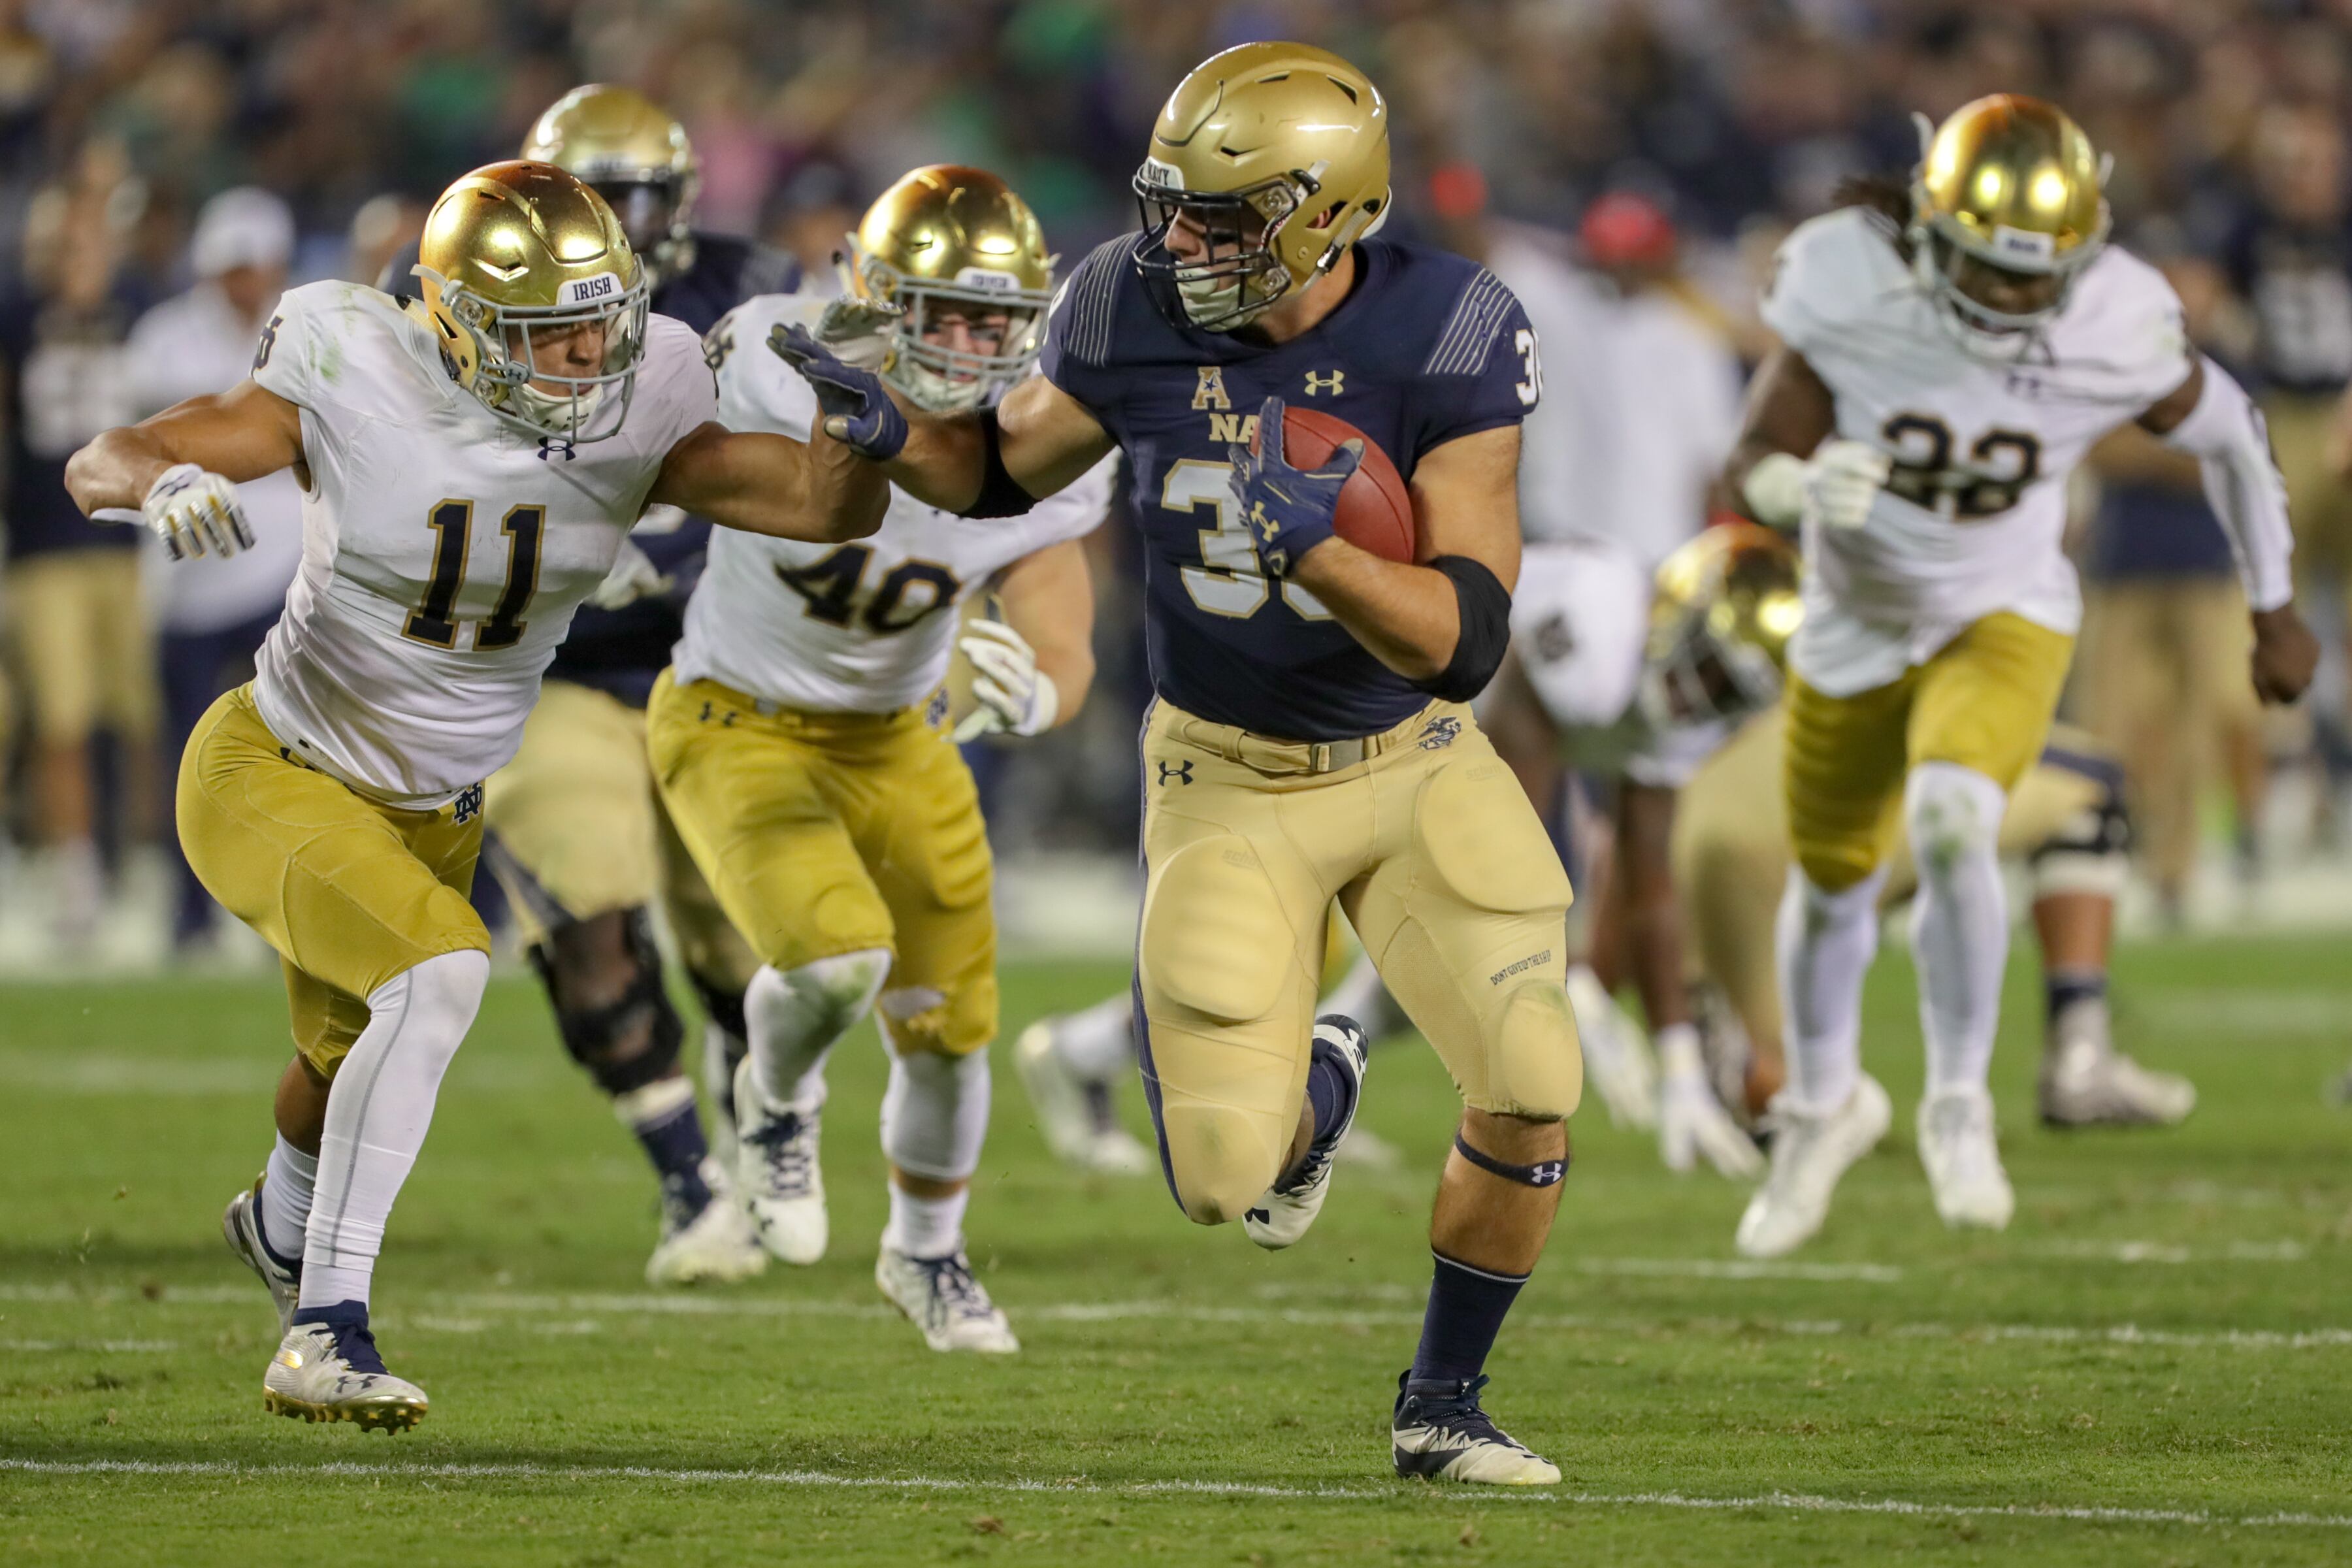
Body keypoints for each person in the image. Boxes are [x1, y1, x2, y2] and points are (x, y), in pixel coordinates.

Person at [777, 42, 1578, 1484]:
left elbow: (1465, 641)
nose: (1183, 247)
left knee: (1530, 1076)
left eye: (1223, 220)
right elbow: (1001, 470)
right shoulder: (1124, 300)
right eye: (1176, 211)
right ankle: (1327, 1078)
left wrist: (1323, 555)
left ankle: (1442, 1404)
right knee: (1221, 1182)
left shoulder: (1452, 326)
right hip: (1226, 770)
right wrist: (893, 431)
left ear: (1330, 210)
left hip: (1413, 753)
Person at [65, 159, 885, 1431]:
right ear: (455, 322)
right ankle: (325, 1330)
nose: (588, 358)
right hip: (276, 767)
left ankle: (280, 1225)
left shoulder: (642, 395)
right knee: (442, 971)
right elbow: (116, 454)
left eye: (599, 323)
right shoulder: (357, 364)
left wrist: (860, 420)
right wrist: (161, 484)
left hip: (436, 808)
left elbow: (822, 506)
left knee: (336, 1064)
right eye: (550, 332)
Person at [1721, 95, 2314, 1259]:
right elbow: (1751, 456)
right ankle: (1821, 1111)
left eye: (2032, 274)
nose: (2007, 295)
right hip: (1855, 618)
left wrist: (2274, 603)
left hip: (2005, 609)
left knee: (1955, 821)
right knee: (1834, 882)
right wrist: (1794, 489)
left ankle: (1958, 1105)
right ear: (1929, 229)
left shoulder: (2114, 319)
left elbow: (2235, 436)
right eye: (1985, 265)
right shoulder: (1854, 284)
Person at [653, 164, 1108, 1352]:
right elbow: (647, 453)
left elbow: (1057, 600)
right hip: (738, 716)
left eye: (992, 322)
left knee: (951, 1031)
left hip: (902, 737)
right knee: (837, 962)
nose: (966, 346)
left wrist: (1040, 691)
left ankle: (926, 1255)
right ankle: (775, 1099)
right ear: (870, 292)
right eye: (940, 313)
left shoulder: (1042, 427)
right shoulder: (773, 354)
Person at [381, 85, 802, 1288]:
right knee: (591, 931)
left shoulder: (752, 291)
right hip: (550, 668)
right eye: (593, 196)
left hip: (716, 662)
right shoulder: (449, 300)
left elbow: (813, 477)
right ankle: (689, 1181)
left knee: (754, 957)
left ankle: (756, 1121)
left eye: (636, 197)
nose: (616, 223)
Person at [124, 187, 305, 956]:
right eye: (232, 267)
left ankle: (285, 909)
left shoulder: (304, 330)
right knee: (191, 758)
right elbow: (137, 449)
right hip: (190, 583)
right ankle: (191, 914)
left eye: (253, 265)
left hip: (284, 574)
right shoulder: (164, 338)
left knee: (293, 756)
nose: (243, 281)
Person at [1, 172, 159, 952]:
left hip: (134, 542)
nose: (76, 251)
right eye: (64, 238)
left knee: (142, 715)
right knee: (61, 719)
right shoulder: (16, 313)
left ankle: (152, 864)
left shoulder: (142, 307)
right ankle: (77, 878)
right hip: (45, 544)